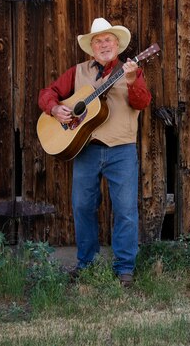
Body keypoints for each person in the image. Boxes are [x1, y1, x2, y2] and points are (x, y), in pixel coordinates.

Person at [38, 17, 152, 286]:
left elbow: (142, 102)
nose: (104, 45)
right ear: (91, 47)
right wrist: (55, 109)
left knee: (124, 210)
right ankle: (86, 264)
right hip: (86, 150)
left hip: (121, 149)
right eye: (98, 41)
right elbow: (48, 92)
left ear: (117, 44)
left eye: (108, 40)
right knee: (82, 207)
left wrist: (134, 80)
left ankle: (124, 269)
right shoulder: (77, 72)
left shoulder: (130, 70)